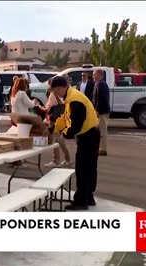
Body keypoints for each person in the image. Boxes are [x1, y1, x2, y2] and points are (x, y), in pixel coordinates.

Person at [50, 76, 100, 211]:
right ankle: (88, 197)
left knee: (83, 169)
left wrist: (65, 134)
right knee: (89, 168)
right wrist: (53, 128)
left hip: (88, 136)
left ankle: (81, 201)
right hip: (90, 135)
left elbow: (76, 123)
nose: (55, 94)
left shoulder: (74, 99)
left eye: (54, 91)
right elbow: (66, 118)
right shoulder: (71, 96)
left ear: (58, 88)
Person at [42, 86, 72, 168]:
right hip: (62, 119)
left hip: (54, 120)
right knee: (61, 140)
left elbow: (48, 108)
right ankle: (67, 159)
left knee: (55, 140)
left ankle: (56, 160)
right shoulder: (62, 94)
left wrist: (41, 107)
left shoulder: (53, 94)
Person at [92, 69, 110, 156]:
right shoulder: (98, 84)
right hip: (101, 111)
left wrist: (97, 110)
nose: (93, 76)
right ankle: (100, 148)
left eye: (94, 74)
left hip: (102, 111)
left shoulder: (101, 84)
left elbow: (100, 98)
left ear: (99, 75)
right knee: (99, 131)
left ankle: (103, 149)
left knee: (102, 131)